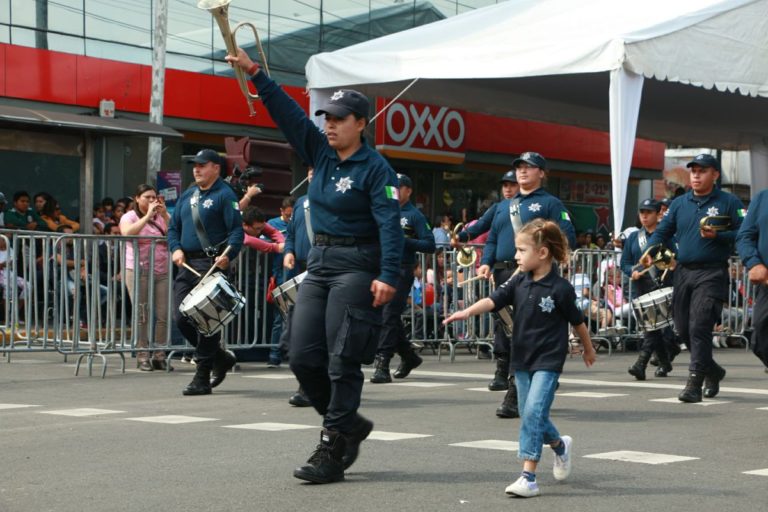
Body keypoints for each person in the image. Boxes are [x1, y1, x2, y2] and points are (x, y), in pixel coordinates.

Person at [227, 48, 403, 484]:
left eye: (339, 118)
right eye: (327, 117)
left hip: (359, 264)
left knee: (342, 358)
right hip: (320, 262)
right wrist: (255, 74)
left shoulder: (377, 170)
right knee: (301, 355)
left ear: (360, 123)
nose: (329, 124)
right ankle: (349, 424)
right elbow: (288, 115)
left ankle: (332, 445)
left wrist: (388, 275)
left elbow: (390, 226)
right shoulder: (320, 152)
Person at [443, 219, 596, 498]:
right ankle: (560, 446)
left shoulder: (560, 288)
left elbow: (578, 321)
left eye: (521, 250)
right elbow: (494, 300)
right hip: (521, 358)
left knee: (534, 413)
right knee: (530, 413)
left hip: (548, 361)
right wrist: (467, 312)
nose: (515, 256)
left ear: (542, 253)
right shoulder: (518, 281)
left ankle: (529, 476)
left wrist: (588, 348)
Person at [477, 152, 576, 417]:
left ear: (541, 173)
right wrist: (486, 261)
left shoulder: (550, 204)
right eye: (519, 167)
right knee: (507, 327)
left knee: (529, 331)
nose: (522, 171)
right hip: (506, 273)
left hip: (536, 276)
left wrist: (547, 260)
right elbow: (493, 238)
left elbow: (567, 237)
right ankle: (526, 380)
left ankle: (519, 390)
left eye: (529, 167)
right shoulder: (505, 206)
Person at [644, 154, 745, 402]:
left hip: (712, 272)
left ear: (715, 175)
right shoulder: (679, 203)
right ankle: (713, 370)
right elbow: (661, 232)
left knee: (700, 325)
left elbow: (744, 232)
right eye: (693, 171)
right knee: (683, 328)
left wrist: (718, 237)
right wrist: (654, 253)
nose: (696, 175)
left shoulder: (729, 201)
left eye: (702, 171)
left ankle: (694, 383)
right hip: (683, 272)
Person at [168, 148, 244, 396]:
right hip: (187, 264)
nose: (197, 169)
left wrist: (227, 256)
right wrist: (176, 249)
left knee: (207, 322)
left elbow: (236, 232)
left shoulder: (225, 194)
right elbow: (173, 228)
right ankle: (220, 357)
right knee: (181, 317)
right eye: (195, 165)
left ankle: (202, 376)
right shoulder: (187, 195)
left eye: (202, 165)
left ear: (216, 168)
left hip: (212, 265)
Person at [370, 173, 436, 383]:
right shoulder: (381, 211)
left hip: (402, 268)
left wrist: (404, 241)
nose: (395, 191)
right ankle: (408, 355)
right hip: (379, 267)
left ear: (408, 190)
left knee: (389, 313)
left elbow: (429, 244)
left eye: (399, 187)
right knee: (383, 314)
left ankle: (383, 362)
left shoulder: (414, 215)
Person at [621, 198, 676, 380]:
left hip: (661, 285)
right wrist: (632, 271)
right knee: (651, 327)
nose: (644, 216)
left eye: (648, 212)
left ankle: (641, 364)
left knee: (654, 328)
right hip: (641, 286)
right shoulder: (633, 238)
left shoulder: (666, 236)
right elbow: (625, 263)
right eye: (642, 212)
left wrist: (667, 265)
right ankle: (665, 362)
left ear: (657, 214)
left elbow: (675, 259)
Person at [119, 184, 171, 372]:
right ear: (137, 198)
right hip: (138, 270)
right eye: (147, 197)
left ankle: (159, 354)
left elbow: (176, 232)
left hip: (161, 270)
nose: (151, 200)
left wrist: (164, 214)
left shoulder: (161, 216)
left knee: (163, 314)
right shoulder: (129, 216)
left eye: (154, 197)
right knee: (142, 314)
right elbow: (127, 233)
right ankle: (143, 355)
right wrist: (148, 216)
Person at [736, 188, 768, 367]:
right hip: (766, 282)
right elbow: (745, 236)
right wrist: (754, 263)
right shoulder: (762, 198)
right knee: (760, 339)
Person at [452, 170, 519, 244]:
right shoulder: (497, 207)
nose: (508, 190)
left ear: (521, 186)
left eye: (512, 185)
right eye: (505, 185)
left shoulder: (527, 205)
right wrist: (459, 237)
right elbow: (479, 226)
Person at [266, 196, 295, 368]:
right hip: (280, 273)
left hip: (296, 271)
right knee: (280, 317)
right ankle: (274, 354)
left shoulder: (298, 221)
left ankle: (292, 353)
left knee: (296, 316)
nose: (290, 218)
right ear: (281, 211)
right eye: (288, 215)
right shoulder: (273, 224)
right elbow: (262, 239)